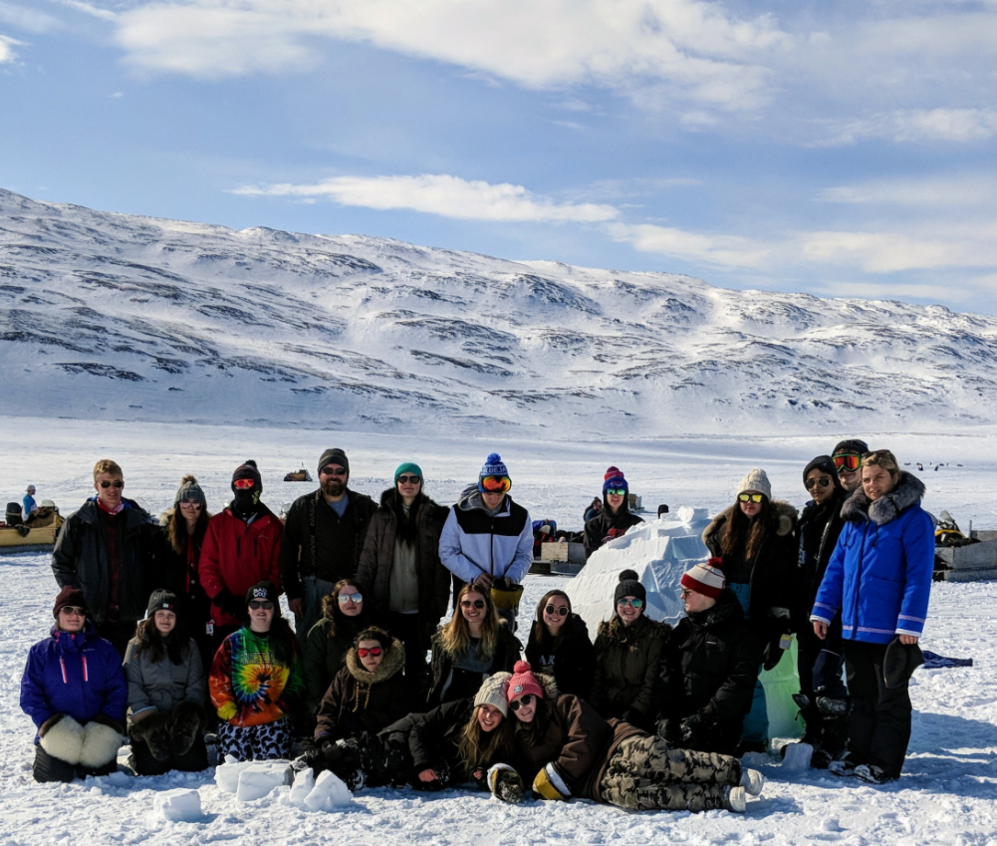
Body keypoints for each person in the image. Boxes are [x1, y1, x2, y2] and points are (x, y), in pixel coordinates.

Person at [493, 661, 764, 813]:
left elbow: (586, 734)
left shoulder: (564, 704)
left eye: (526, 699)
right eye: (515, 704)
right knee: (634, 794)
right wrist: (498, 775)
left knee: (655, 760)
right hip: (593, 781)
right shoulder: (521, 740)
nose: (522, 708)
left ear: (537, 695)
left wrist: (561, 771)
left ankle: (731, 771)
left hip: (613, 743)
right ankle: (721, 797)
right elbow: (515, 768)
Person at [811, 450, 933, 784]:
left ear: (895, 477)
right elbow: (836, 568)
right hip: (853, 625)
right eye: (866, 480)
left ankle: (884, 762)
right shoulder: (855, 519)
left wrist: (909, 623)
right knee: (861, 697)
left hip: (891, 629)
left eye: (879, 477)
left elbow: (919, 574)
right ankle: (859, 753)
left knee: (889, 699)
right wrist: (823, 609)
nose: (872, 485)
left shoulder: (913, 519)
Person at [702, 468, 797, 752]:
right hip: (728, 609)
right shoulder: (727, 530)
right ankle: (728, 732)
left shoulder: (777, 535)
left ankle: (756, 737)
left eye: (756, 496)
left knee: (749, 676)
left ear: (765, 499)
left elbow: (785, 583)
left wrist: (781, 631)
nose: (749, 501)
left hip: (758, 613)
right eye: (744, 495)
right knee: (723, 673)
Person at [303, 672, 514, 792]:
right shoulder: (460, 709)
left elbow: (491, 763)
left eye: (496, 712)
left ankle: (360, 777)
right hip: (410, 734)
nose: (488, 716)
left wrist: (481, 772)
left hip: (436, 758)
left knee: (429, 779)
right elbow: (420, 730)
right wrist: (422, 764)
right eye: (485, 708)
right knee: (388, 755)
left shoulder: (501, 736)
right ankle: (315, 761)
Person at [356, 462, 450, 686]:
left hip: (419, 609)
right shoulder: (382, 517)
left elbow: (441, 568)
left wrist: (437, 607)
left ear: (421, 483)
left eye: (414, 479)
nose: (408, 484)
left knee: (417, 667)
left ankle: (416, 714)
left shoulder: (434, 517)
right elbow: (369, 559)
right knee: (388, 665)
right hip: (386, 607)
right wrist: (363, 600)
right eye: (403, 479)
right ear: (396, 483)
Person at [19, 587, 127, 783]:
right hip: (59, 733)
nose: (74, 616)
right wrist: (50, 725)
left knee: (101, 775)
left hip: (96, 731)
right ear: (57, 613)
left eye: (80, 611)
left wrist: (106, 724)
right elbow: (30, 694)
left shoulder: (104, 649)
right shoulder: (41, 652)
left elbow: (117, 690)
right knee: (53, 776)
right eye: (68, 609)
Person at [51, 458, 156, 656]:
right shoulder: (78, 522)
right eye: (105, 484)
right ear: (96, 485)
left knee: (122, 674)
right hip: (92, 614)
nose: (112, 489)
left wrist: (143, 597)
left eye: (117, 483)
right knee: (92, 672)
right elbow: (60, 563)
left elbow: (150, 562)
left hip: (126, 615)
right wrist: (77, 597)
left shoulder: (137, 521)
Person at [655, 559, 760, 756]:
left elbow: (738, 684)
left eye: (687, 592)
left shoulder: (741, 634)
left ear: (706, 594)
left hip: (718, 728)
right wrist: (665, 716)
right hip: (680, 722)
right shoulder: (684, 630)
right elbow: (666, 674)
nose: (681, 596)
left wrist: (702, 720)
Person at [281, 448, 376, 647]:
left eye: (340, 471)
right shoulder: (303, 507)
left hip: (354, 592)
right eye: (328, 470)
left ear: (347, 475)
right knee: (309, 651)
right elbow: (287, 554)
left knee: (354, 650)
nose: (334, 476)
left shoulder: (365, 507)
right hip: (313, 592)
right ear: (319, 474)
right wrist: (294, 593)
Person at [790, 455, 849, 767]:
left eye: (823, 481)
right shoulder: (807, 518)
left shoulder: (844, 515)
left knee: (825, 677)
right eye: (810, 482)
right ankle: (814, 733)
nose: (816, 487)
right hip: (805, 611)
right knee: (806, 678)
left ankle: (837, 738)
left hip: (834, 611)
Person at [209, 581, 304, 761]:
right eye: (255, 604)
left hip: (274, 716)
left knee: (272, 765)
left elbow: (297, 681)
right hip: (238, 716)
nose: (261, 609)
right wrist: (230, 712)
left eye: (266, 604)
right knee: (232, 765)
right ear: (248, 609)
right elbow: (217, 682)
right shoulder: (232, 643)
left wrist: (281, 707)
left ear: (274, 609)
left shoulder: (286, 642)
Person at [438, 453, 533, 629]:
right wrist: (474, 575)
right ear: (480, 485)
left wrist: (511, 577)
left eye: (501, 489)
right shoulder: (460, 513)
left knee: (501, 651)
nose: (494, 496)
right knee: (464, 648)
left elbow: (525, 555)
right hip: (468, 600)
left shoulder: (520, 517)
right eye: (488, 488)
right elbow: (446, 551)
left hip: (502, 600)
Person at [199, 460, 283, 650]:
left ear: (258, 488)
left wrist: (260, 601)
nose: (244, 489)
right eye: (239, 484)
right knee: (224, 674)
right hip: (224, 616)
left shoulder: (273, 526)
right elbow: (207, 567)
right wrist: (223, 599)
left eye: (249, 484)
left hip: (261, 617)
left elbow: (278, 570)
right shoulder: (218, 524)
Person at [122, 590, 208, 775]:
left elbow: (196, 684)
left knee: (192, 764)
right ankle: (137, 753)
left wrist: (187, 719)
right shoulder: (136, 646)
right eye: (160, 614)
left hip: (180, 715)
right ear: (151, 617)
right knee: (153, 767)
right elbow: (132, 685)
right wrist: (149, 721)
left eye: (170, 615)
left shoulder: (189, 645)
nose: (165, 619)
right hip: (149, 717)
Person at [589, 570, 668, 732]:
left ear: (643, 606)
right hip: (607, 709)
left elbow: (651, 683)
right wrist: (594, 708)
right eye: (623, 601)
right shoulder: (606, 634)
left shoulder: (654, 637)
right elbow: (596, 676)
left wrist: (634, 712)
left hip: (639, 715)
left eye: (636, 602)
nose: (629, 607)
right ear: (616, 604)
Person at [427, 583, 521, 708]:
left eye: (479, 604)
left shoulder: (505, 643)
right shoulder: (444, 640)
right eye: (466, 603)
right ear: (459, 606)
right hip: (446, 709)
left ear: (488, 606)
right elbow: (436, 679)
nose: (472, 608)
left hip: (485, 713)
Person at [154, 475, 214, 671]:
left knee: (203, 655)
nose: (190, 506)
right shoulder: (164, 535)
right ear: (178, 504)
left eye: (196, 502)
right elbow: (156, 573)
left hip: (203, 608)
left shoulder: (211, 533)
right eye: (185, 501)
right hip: (174, 607)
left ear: (202, 505)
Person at [314, 627, 411, 744]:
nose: (369, 657)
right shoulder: (345, 676)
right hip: (341, 738)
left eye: (375, 651)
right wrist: (324, 736)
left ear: (385, 651)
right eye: (363, 652)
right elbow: (328, 709)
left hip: (381, 742)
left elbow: (400, 721)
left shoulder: (397, 681)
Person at [302, 578, 372, 712]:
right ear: (335, 601)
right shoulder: (322, 629)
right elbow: (313, 670)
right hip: (335, 701)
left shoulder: (375, 626)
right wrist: (322, 703)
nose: (350, 602)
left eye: (356, 597)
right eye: (344, 598)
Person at [524, 589, 595, 699]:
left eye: (562, 610)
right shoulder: (536, 636)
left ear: (568, 614)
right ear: (542, 610)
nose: (555, 614)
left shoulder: (578, 639)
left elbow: (587, 679)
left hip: (570, 702)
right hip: (541, 700)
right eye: (550, 609)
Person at [583, 467, 643, 559]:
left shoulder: (638, 523)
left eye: (620, 491)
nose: (615, 495)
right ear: (605, 494)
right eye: (611, 491)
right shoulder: (593, 525)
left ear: (625, 495)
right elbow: (592, 560)